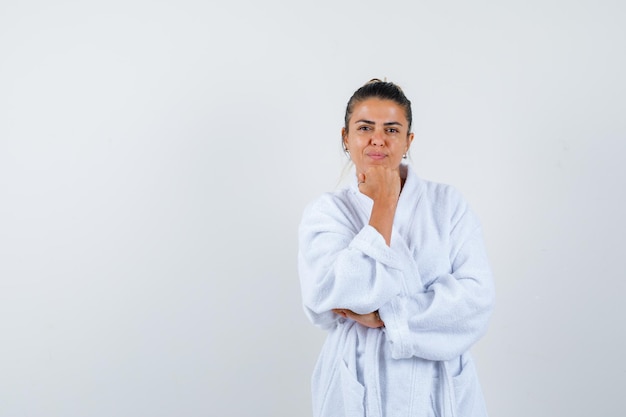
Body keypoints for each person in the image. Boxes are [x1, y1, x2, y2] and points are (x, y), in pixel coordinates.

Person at [297, 79, 495, 417]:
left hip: (439, 385)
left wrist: (388, 316)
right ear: (346, 137)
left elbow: (476, 300)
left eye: (391, 128)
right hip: (359, 381)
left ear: (408, 141)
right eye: (364, 127)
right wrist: (384, 204)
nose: (378, 138)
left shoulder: (447, 204)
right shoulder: (327, 213)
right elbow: (328, 295)